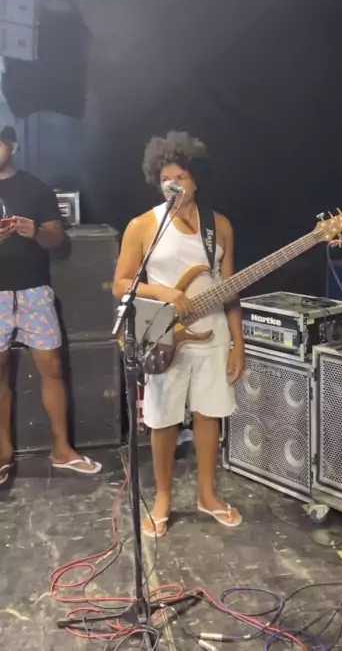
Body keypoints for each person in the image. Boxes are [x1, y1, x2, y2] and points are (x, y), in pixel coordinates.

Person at [113, 131, 244, 537]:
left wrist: (238, 343)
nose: (173, 184)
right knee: (164, 418)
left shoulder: (219, 226)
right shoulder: (143, 226)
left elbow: (230, 290)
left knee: (208, 415)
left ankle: (207, 494)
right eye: (166, 178)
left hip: (214, 334)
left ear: (195, 179)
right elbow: (121, 284)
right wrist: (164, 292)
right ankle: (163, 499)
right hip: (165, 335)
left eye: (181, 177)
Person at [0, 125, 101, 486]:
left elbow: (58, 238)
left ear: (13, 146)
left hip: (34, 291)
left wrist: (35, 231)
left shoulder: (36, 187)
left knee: (52, 368)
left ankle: (62, 450)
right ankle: (3, 455)